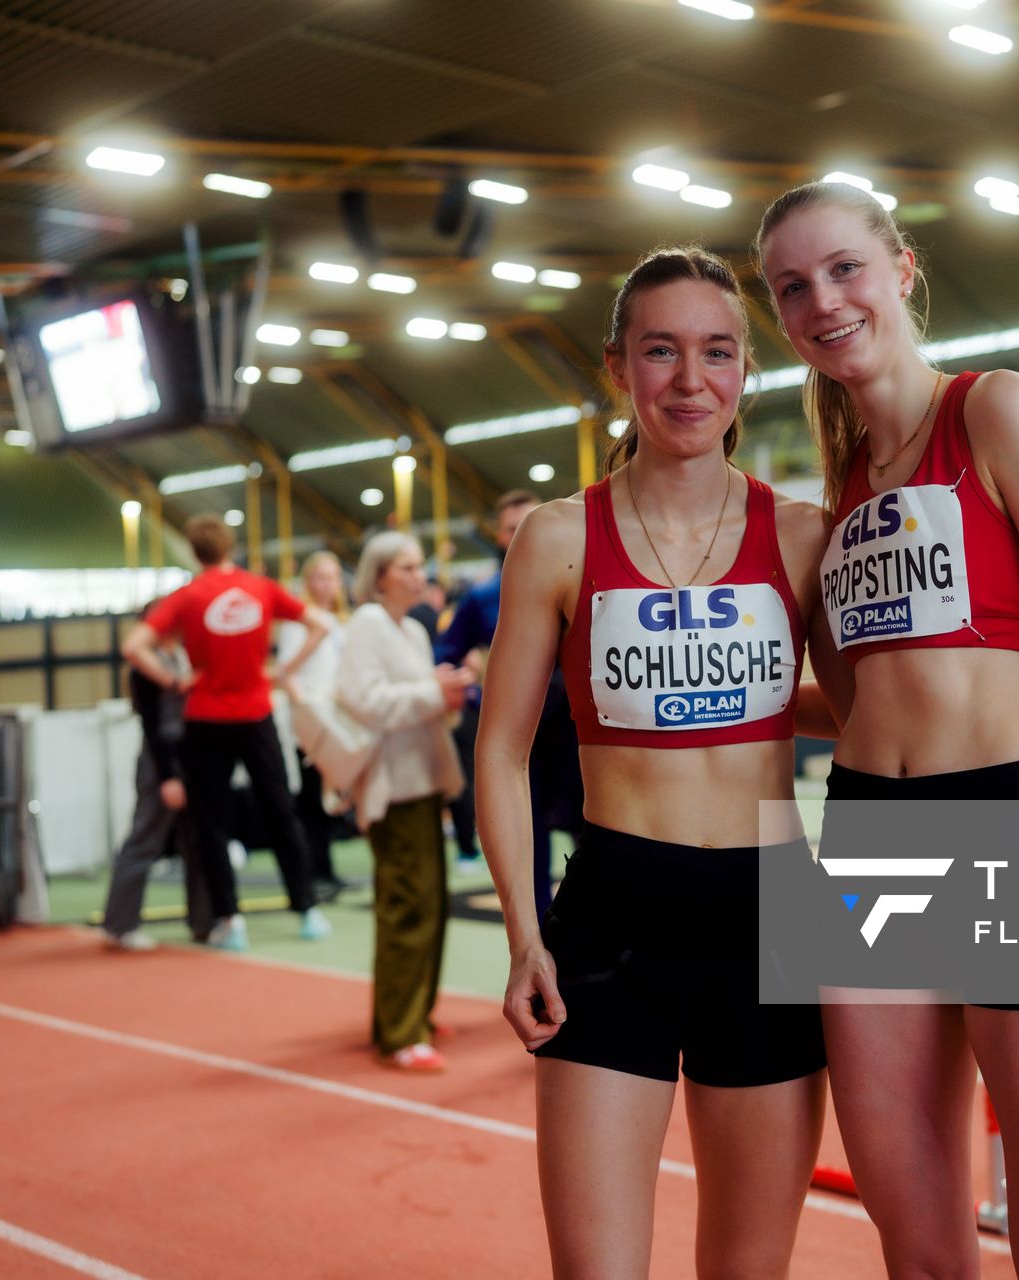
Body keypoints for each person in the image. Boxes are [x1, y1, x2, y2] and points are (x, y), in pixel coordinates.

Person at [756, 182, 1019, 1277]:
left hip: (1008, 828)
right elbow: (861, 702)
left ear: (902, 268)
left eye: (844, 268)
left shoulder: (997, 409)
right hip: (867, 841)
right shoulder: (839, 491)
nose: (824, 301)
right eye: (793, 287)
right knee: (919, 1251)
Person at [479, 248, 836, 1279]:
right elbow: (500, 747)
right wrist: (523, 932)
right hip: (614, 919)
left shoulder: (803, 535)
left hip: (772, 917)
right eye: (661, 351)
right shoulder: (557, 537)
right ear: (618, 367)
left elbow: (861, 712)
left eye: (717, 352)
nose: (690, 380)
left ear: (746, 370)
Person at [121, 515, 333, 952]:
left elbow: (133, 646)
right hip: (256, 714)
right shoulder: (261, 587)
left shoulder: (187, 597)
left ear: (194, 551)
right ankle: (307, 908)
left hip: (207, 719)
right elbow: (321, 624)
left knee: (211, 822)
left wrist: (173, 681)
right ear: (230, 545)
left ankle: (229, 920)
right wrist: (282, 672)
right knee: (280, 810)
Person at [336, 532, 474, 1072]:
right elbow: (363, 700)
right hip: (392, 786)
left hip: (423, 781)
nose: (420, 576)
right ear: (379, 576)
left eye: (420, 566)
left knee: (430, 904)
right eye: (407, 567)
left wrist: (442, 691)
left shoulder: (413, 629)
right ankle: (399, 1030)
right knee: (406, 908)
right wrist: (432, 693)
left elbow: (412, 698)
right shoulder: (368, 624)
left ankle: (416, 1012)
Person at [438, 490, 582, 897]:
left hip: (580, 738)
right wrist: (474, 696)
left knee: (595, 841)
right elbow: (444, 655)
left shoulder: (583, 579)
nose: (521, 533)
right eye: (511, 528)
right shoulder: (484, 597)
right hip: (522, 742)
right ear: (500, 536)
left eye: (528, 523)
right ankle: (536, 928)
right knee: (529, 847)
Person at [98, 610, 212, 950]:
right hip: (160, 763)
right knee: (145, 838)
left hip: (191, 757)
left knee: (200, 840)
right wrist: (168, 776)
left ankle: (205, 921)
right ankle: (120, 925)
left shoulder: (182, 657)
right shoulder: (144, 668)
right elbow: (152, 727)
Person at [277, 550, 350, 899]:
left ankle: (326, 869)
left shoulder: (339, 621)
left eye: (332, 577)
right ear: (309, 581)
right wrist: (304, 713)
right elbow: (286, 672)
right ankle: (312, 874)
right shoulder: (299, 622)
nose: (327, 584)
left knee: (330, 796)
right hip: (311, 719)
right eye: (320, 577)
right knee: (311, 799)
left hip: (336, 717)